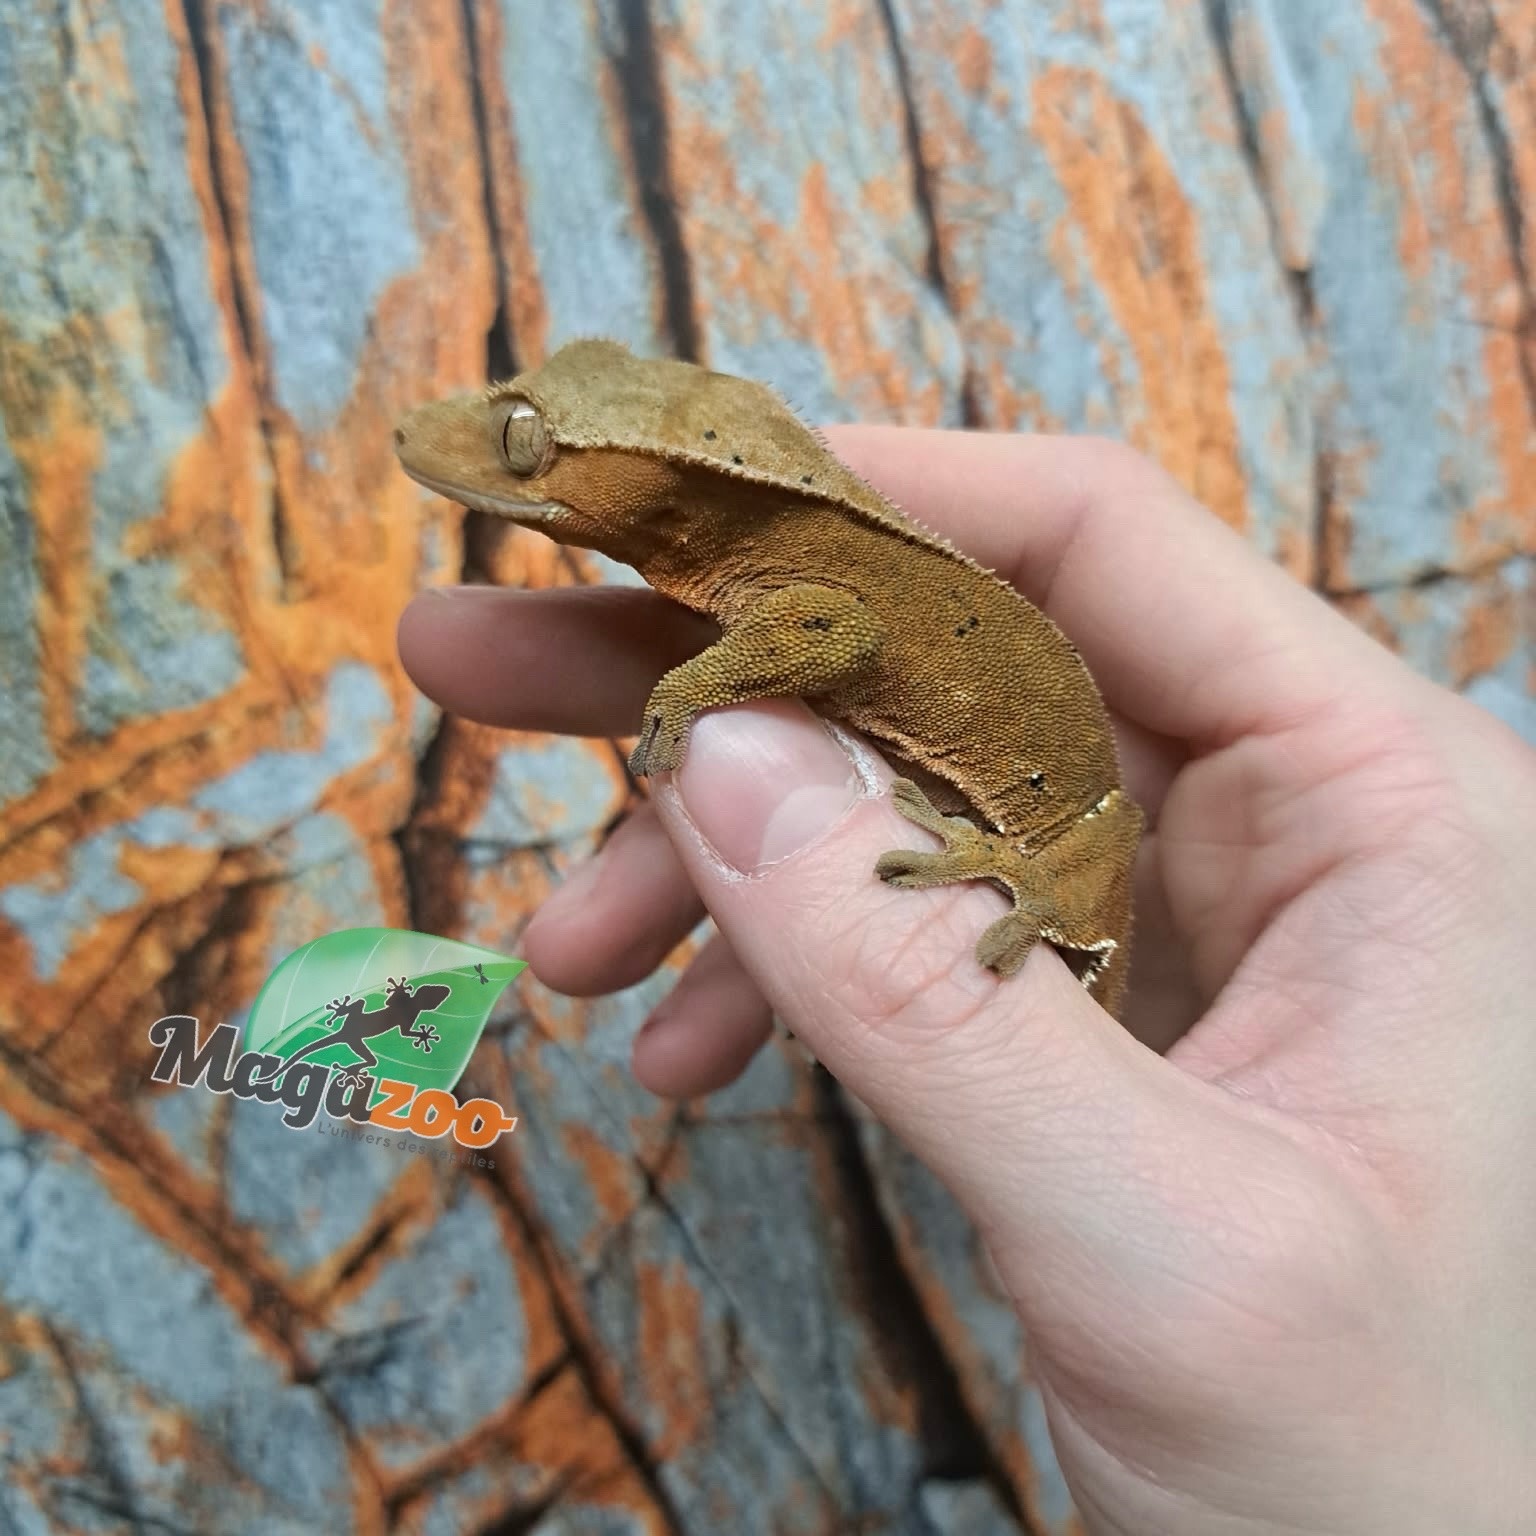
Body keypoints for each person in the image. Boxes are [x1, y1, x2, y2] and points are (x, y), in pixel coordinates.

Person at [399, 428, 1536, 1534]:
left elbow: (834, 635)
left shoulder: (783, 574)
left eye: (528, 444)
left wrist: (706, 688)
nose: (460, 443)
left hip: (1068, 840)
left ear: (656, 481)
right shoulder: (750, 553)